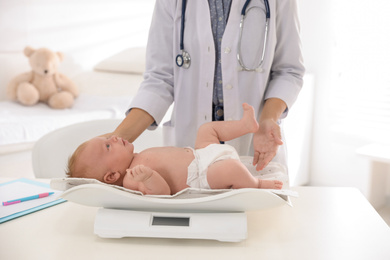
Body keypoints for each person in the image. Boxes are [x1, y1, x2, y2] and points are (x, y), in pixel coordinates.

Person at [107, 0, 305, 175]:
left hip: (252, 149)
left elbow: (288, 71)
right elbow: (160, 79)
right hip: (189, 156)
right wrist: (114, 142)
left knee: (256, 216)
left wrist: (268, 119)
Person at [67, 103, 283, 195]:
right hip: (202, 176)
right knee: (232, 170)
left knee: (207, 129)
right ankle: (256, 184)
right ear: (112, 175)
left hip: (201, 154)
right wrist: (149, 176)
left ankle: (245, 126)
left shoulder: (136, 159)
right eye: (108, 145)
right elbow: (162, 194)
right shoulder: (133, 179)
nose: (115, 137)